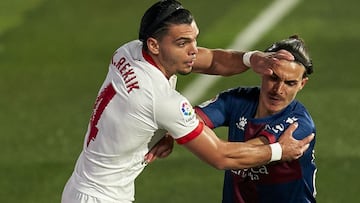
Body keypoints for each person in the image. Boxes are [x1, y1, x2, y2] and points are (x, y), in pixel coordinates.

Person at [61, 0, 314, 202]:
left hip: (83, 186)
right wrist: (280, 150)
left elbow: (212, 59)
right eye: (183, 43)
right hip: (103, 197)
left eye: (194, 39)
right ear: (155, 45)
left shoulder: (129, 51)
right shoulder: (161, 99)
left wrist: (250, 59)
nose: (193, 49)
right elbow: (221, 156)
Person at [195, 35, 317, 203]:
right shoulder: (237, 99)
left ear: (302, 84)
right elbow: (190, 121)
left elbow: (234, 156)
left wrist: (182, 132)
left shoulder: (299, 126)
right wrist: (170, 134)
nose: (278, 90)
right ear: (262, 72)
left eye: (290, 83)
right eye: (273, 78)